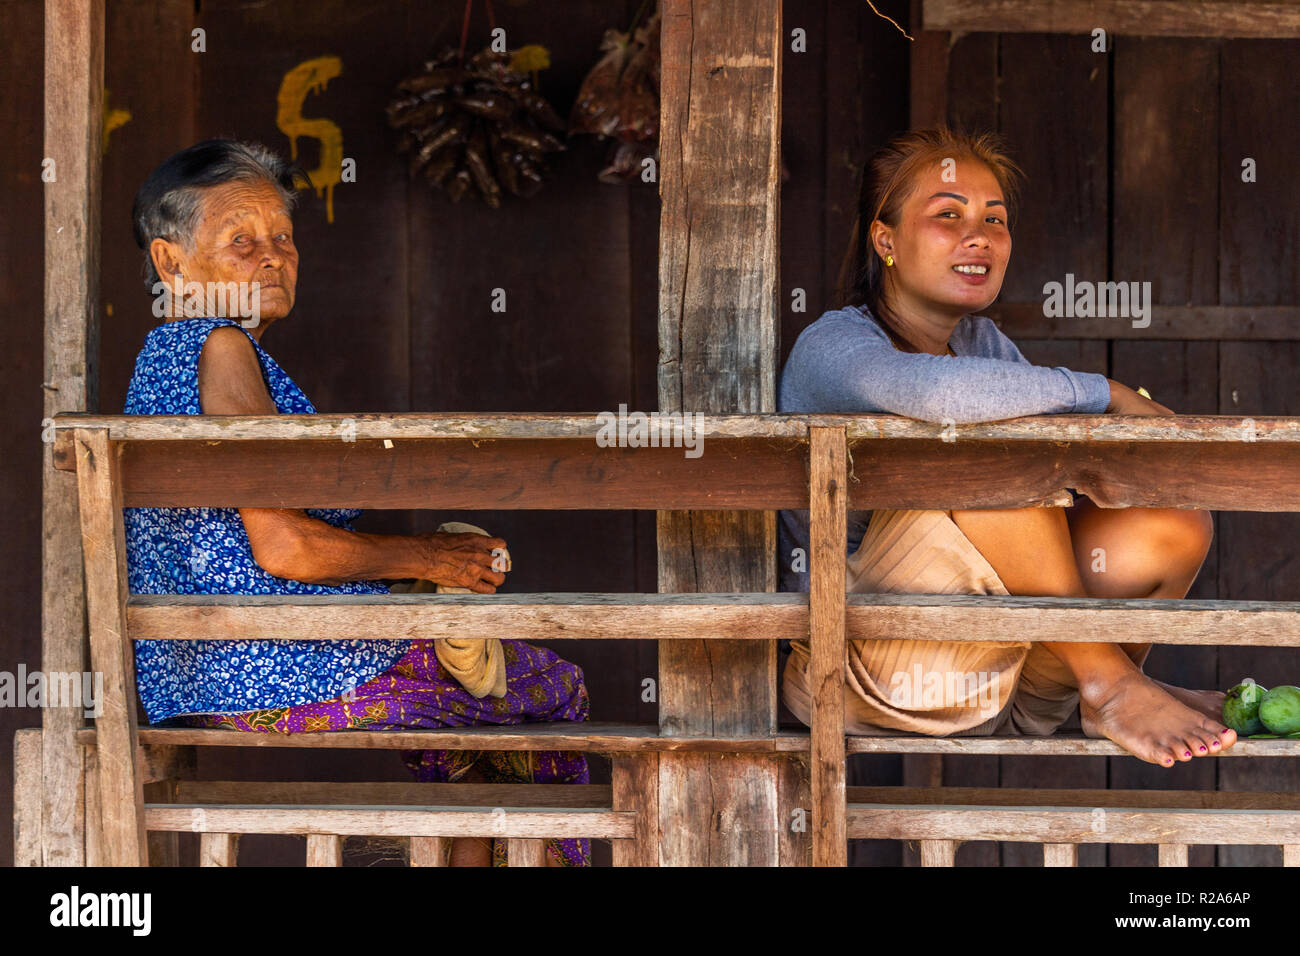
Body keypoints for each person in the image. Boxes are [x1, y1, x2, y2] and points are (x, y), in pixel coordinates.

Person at [124, 139, 590, 865]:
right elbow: (283, 547)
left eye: (282, 236)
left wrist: (413, 566)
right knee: (552, 690)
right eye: (241, 240)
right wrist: (431, 557)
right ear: (170, 263)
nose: (272, 255)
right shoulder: (218, 347)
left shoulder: (167, 357)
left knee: (471, 732)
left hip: (197, 671)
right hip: (274, 671)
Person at [778, 127, 1236, 768]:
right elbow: (939, 398)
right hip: (870, 673)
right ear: (886, 240)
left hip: (1016, 683)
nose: (980, 236)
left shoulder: (983, 347)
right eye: (948, 215)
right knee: (985, 459)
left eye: (995, 219)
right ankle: (1112, 682)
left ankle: (1096, 685)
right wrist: (1102, 390)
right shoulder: (834, 346)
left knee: (1171, 521)